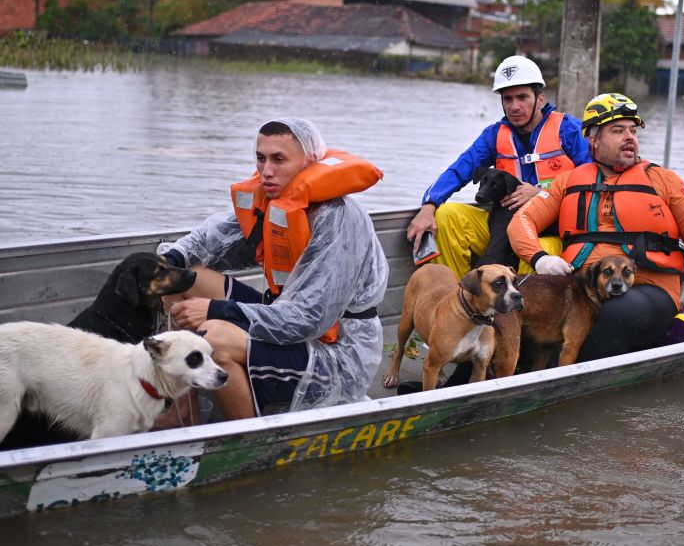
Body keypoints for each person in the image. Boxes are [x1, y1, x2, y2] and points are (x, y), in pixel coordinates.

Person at [158, 117, 389, 419]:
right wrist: (170, 260)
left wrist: (217, 310)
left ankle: (248, 440)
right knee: (178, 279)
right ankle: (183, 411)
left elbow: (309, 319)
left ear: (308, 161)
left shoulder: (339, 217)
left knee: (214, 338)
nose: (266, 171)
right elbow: (209, 239)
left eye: (279, 159)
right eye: (260, 158)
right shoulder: (272, 197)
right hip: (283, 315)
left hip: (339, 354)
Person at [507, 93, 684, 360]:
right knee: (511, 301)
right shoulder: (567, 181)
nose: (629, 137)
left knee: (616, 311)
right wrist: (540, 259)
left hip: (648, 290)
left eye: (633, 131)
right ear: (593, 140)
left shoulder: (664, 180)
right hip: (580, 290)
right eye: (618, 131)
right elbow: (521, 222)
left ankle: (553, 375)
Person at [405, 55, 592, 276]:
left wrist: (543, 195)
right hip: (501, 228)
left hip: (552, 233)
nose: (514, 106)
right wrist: (429, 206)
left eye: (522, 97)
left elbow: (592, 179)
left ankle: (518, 309)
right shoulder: (493, 136)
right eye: (508, 99)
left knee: (538, 252)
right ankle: (457, 300)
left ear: (540, 99)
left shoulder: (569, 130)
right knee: (446, 215)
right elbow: (458, 170)